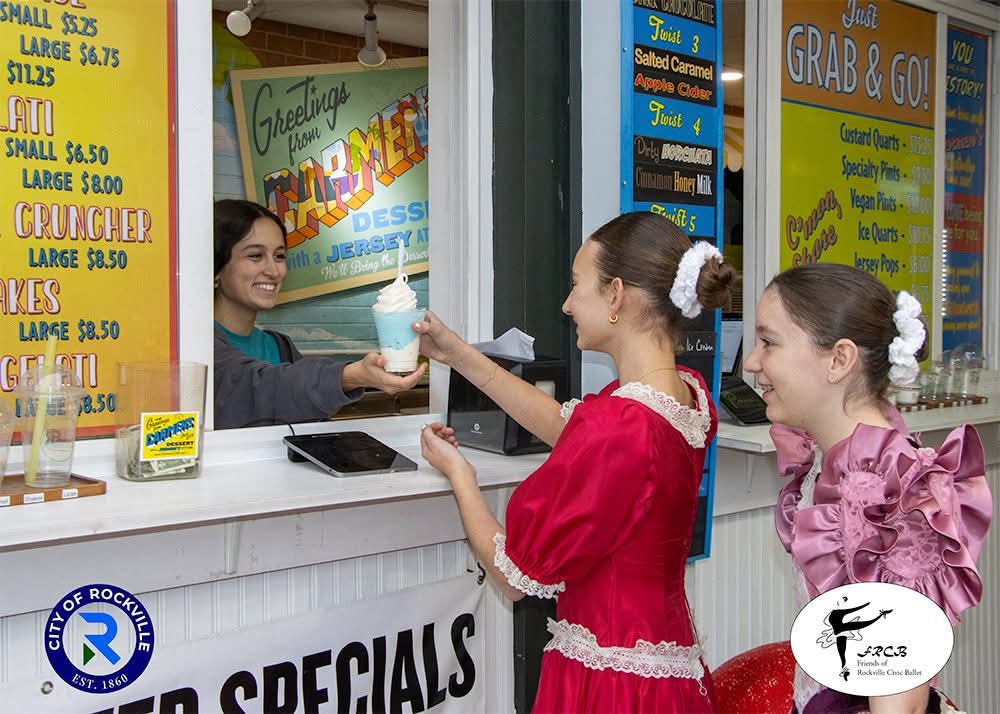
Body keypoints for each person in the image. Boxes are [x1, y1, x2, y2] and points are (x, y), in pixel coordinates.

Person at [416, 211, 733, 712]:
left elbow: (512, 575)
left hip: (609, 684)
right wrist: (458, 354)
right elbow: (569, 430)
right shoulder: (686, 400)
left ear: (615, 294)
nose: (567, 305)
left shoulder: (618, 424)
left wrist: (460, 476)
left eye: (576, 285)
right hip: (670, 671)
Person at [743, 263, 993, 713]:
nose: (751, 362)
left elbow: (900, 698)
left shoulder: (885, 489)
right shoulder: (842, 457)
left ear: (838, 359)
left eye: (769, 342)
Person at [213, 199, 425, 429]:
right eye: (255, 256)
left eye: (279, 256)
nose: (274, 271)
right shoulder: (200, 346)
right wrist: (351, 375)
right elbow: (263, 388)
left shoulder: (280, 346)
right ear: (215, 268)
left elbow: (305, 415)